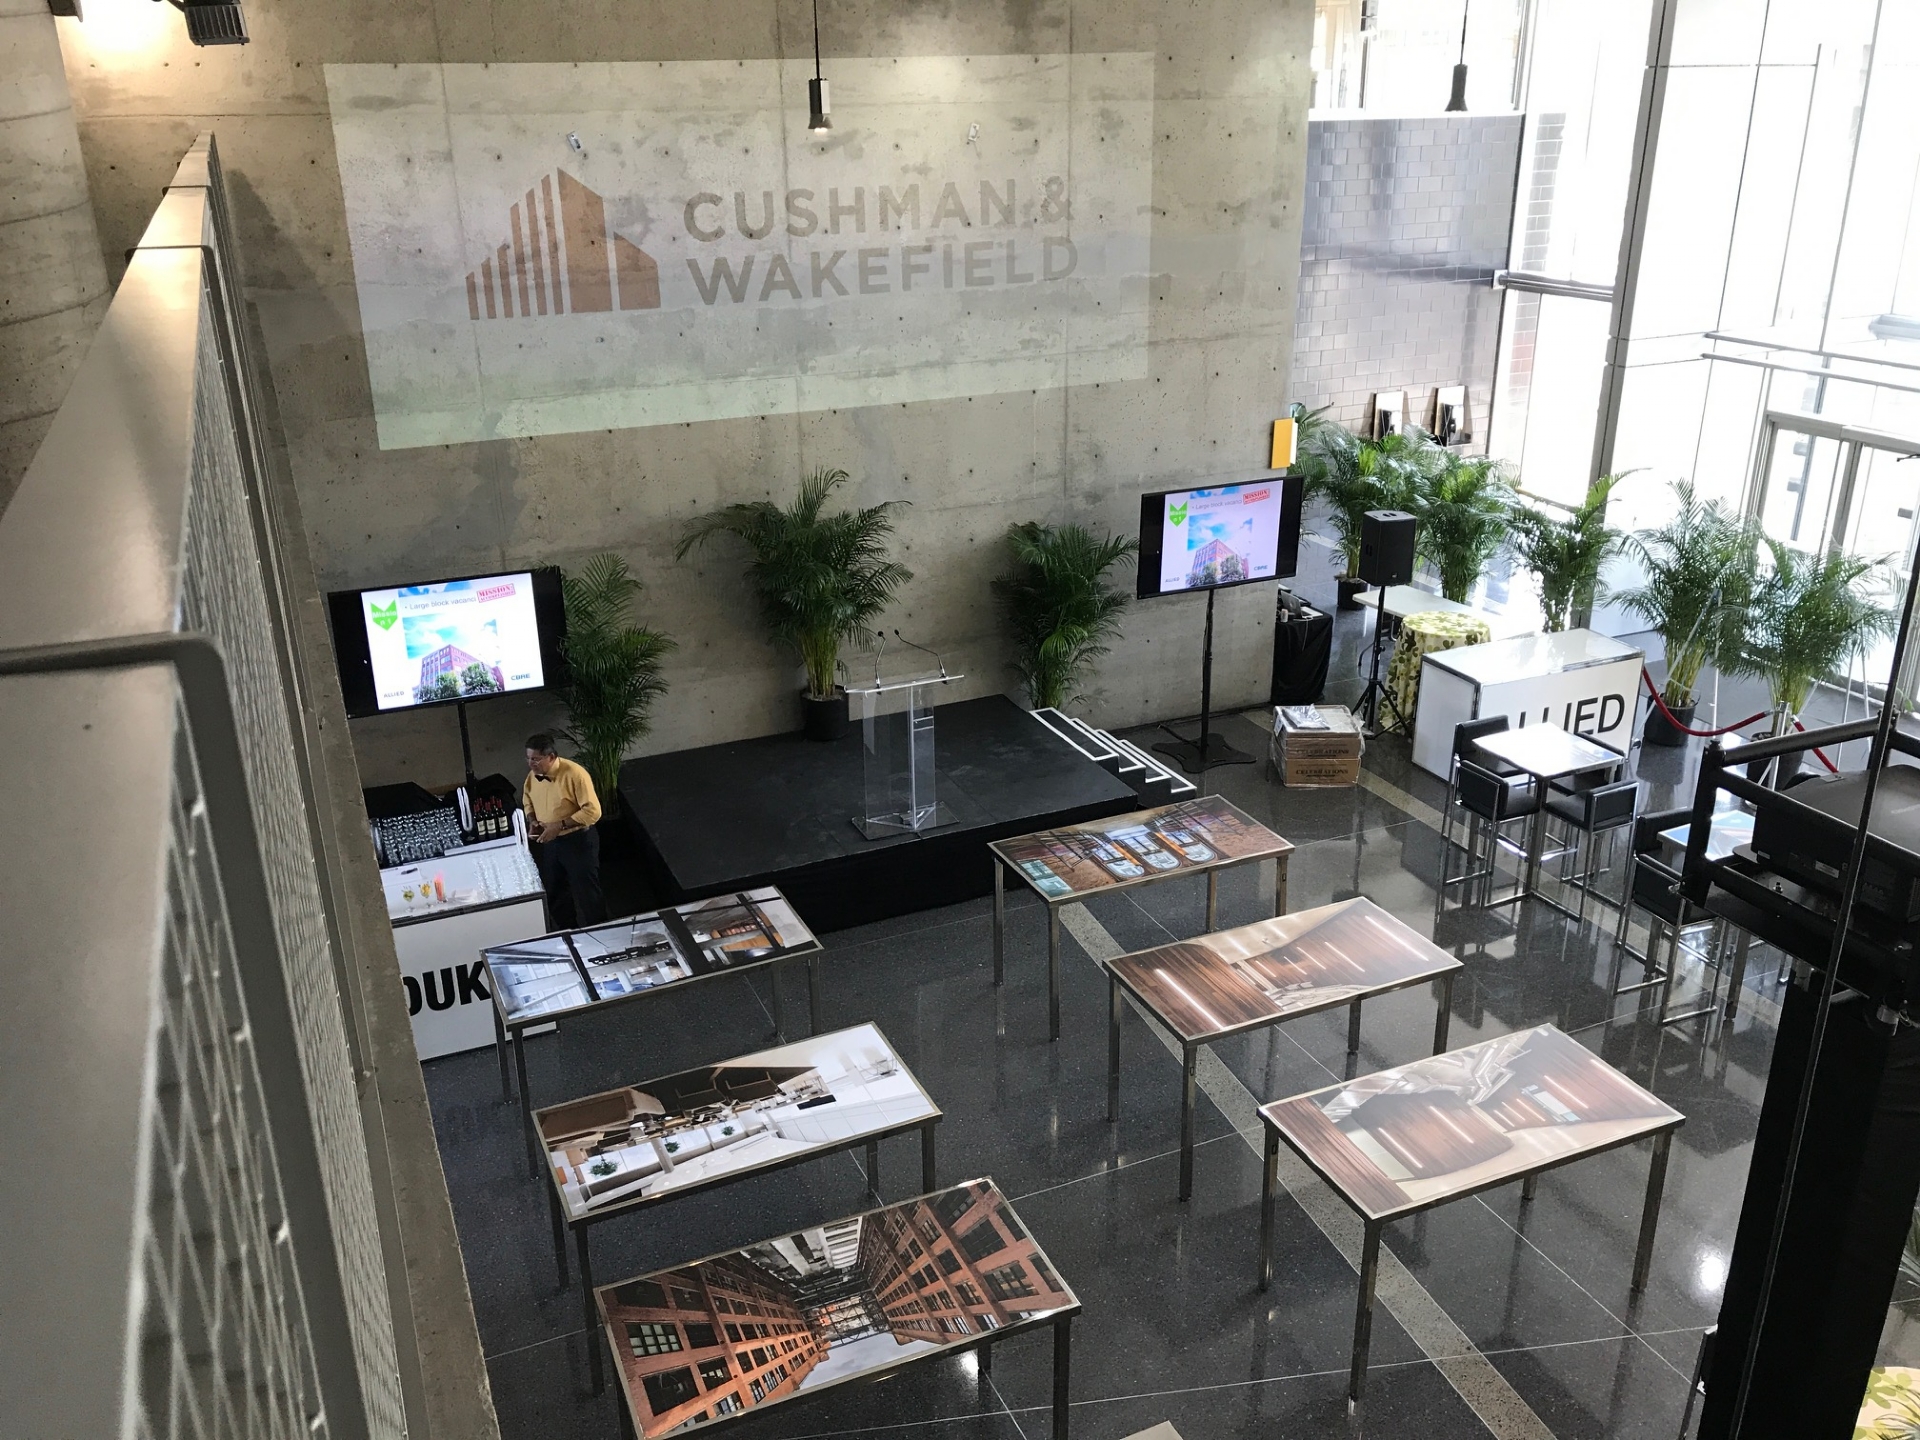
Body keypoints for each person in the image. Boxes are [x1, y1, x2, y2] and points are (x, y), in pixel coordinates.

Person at [522, 732, 605, 926]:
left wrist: (559, 825)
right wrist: (532, 820)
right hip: (551, 842)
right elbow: (527, 799)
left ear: (551, 757)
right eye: (528, 759)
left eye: (535, 759)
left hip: (578, 841)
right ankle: (568, 932)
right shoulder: (533, 775)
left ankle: (601, 933)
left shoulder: (575, 774)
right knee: (555, 893)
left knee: (587, 894)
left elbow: (593, 811)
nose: (531, 764)